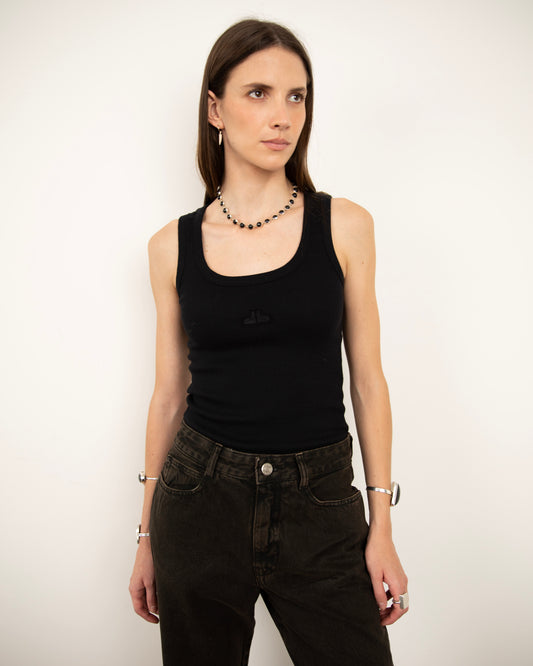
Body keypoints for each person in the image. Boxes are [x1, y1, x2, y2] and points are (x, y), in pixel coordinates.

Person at [129, 17, 408, 666]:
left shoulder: (345, 226)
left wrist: (382, 527)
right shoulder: (170, 246)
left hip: (321, 501)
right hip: (199, 500)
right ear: (215, 109)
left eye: (296, 96)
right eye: (258, 93)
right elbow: (168, 397)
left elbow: (368, 381)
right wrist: (145, 536)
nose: (283, 116)